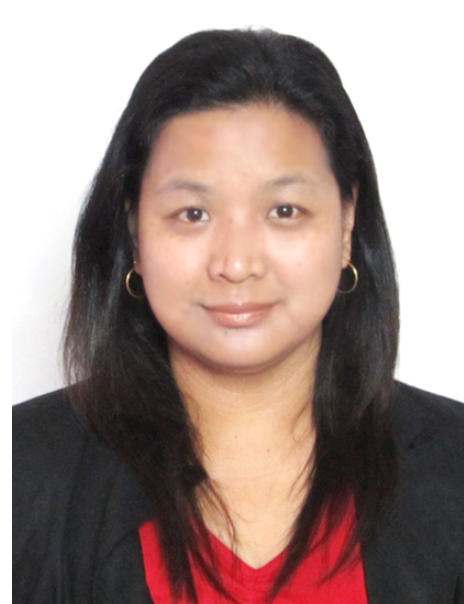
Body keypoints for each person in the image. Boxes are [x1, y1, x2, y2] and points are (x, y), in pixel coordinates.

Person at [13, 28, 464, 604]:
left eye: (284, 210)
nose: (236, 264)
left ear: (347, 224)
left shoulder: (453, 464)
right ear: (133, 233)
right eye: (193, 213)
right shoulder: (20, 470)